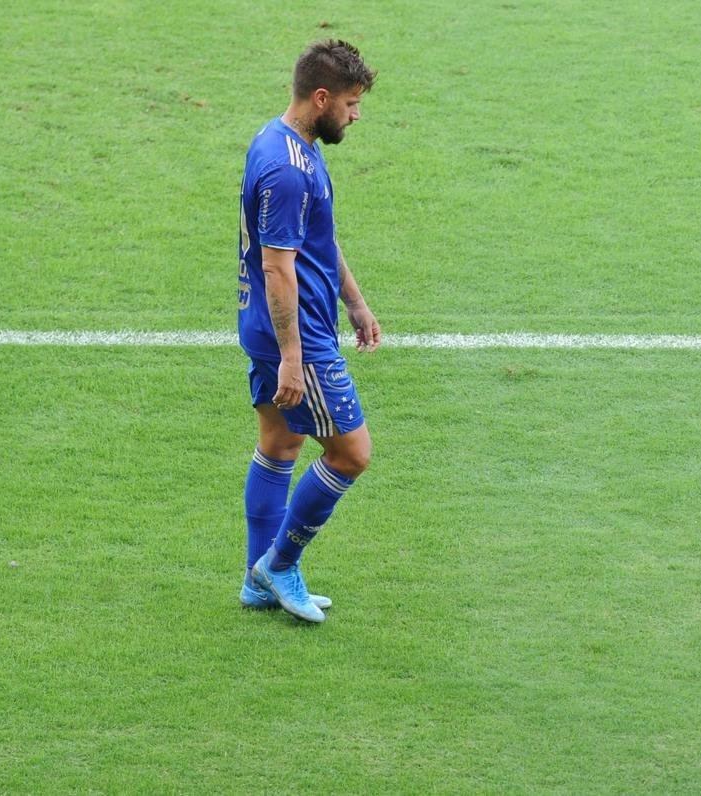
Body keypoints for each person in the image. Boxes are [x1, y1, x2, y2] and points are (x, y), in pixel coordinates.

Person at [235, 40, 380, 623]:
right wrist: (294, 356)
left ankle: (257, 580)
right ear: (321, 98)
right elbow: (278, 266)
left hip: (267, 325)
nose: (356, 115)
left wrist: (356, 302)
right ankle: (280, 564)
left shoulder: (282, 141)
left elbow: (317, 240)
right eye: (350, 103)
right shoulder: (288, 169)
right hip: (299, 336)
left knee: (280, 445)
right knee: (351, 454)